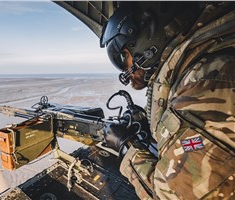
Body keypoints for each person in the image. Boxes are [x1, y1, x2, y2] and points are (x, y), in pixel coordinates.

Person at [101, 1, 235, 199]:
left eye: (123, 58)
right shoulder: (206, 61)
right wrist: (165, 130)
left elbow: (172, 194)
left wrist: (125, 146)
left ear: (146, 40)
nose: (125, 71)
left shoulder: (206, 81)